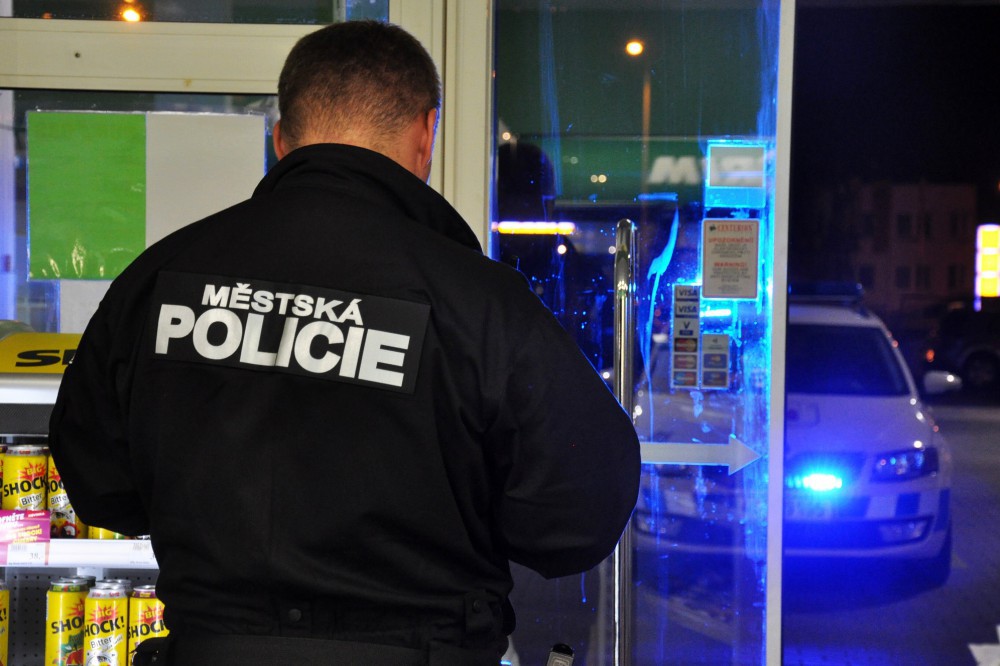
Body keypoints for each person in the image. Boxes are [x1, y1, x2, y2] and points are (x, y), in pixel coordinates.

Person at [48, 20, 640, 666]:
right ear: (426, 134)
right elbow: (578, 516)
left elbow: (99, 484)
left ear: (281, 139)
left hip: (209, 648)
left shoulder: (159, 279)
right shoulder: (479, 302)